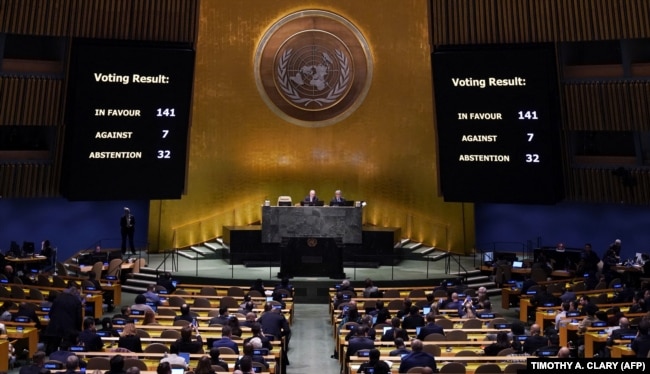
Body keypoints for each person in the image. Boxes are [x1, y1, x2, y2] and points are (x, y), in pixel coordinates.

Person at [44, 286, 83, 354]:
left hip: (55, 325)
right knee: (66, 348)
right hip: (69, 328)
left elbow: (51, 313)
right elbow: (79, 318)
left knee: (53, 346)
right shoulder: (76, 301)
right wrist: (78, 330)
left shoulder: (58, 298)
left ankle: (51, 359)